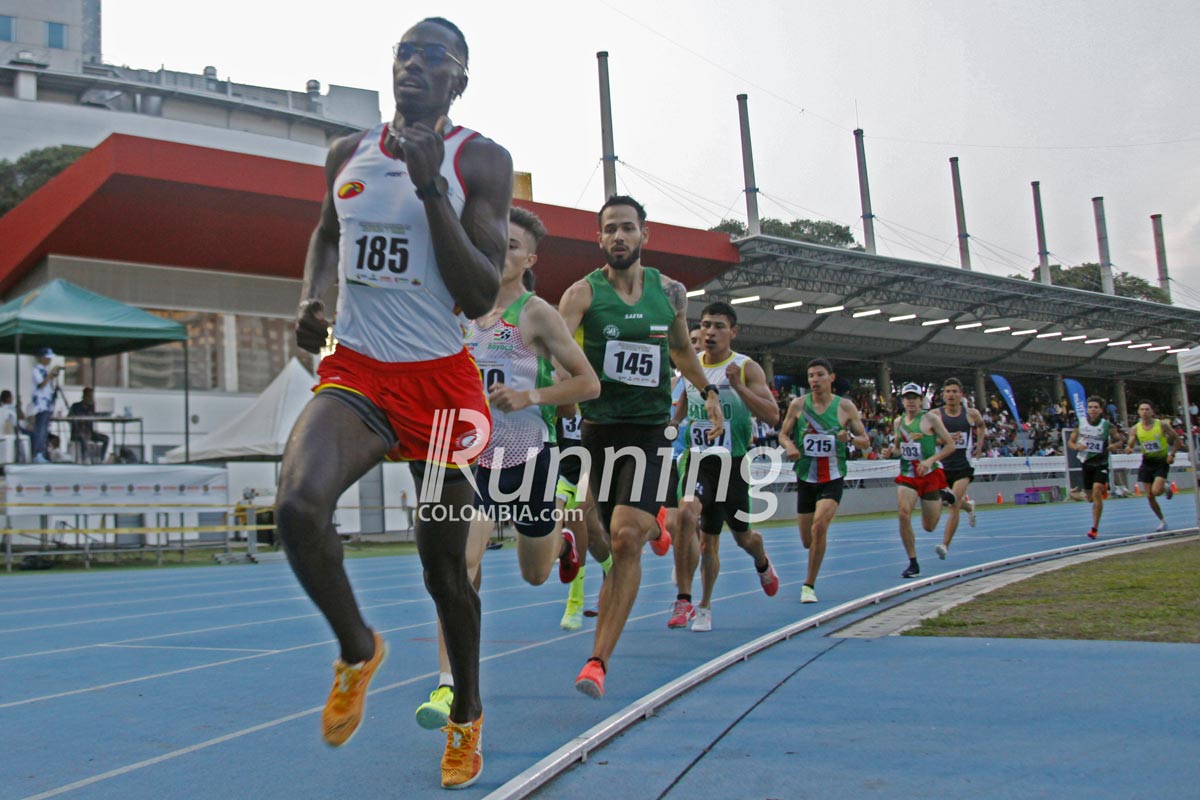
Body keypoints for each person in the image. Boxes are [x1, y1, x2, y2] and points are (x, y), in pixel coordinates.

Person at [274, 17, 511, 791]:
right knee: (298, 506)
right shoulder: (347, 153)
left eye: (431, 56)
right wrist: (313, 301)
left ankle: (467, 712)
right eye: (404, 53)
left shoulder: (480, 159)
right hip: (361, 376)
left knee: (444, 568)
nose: (412, 64)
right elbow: (324, 236)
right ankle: (356, 649)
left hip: (442, 389)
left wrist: (430, 184)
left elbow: (478, 294)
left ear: (458, 81)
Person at [414, 205, 601, 729]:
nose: (500, 252)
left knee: (535, 575)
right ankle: (450, 687)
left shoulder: (536, 314)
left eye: (512, 245)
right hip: (461, 459)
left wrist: (531, 394)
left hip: (526, 457)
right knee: (452, 567)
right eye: (493, 242)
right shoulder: (450, 308)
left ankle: (561, 539)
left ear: (528, 259)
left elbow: (588, 384)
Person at [557, 194, 724, 699]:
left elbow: (679, 350)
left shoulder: (670, 293)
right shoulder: (581, 295)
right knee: (607, 538)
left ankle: (597, 661)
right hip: (600, 431)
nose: (619, 237)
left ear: (644, 235)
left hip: (651, 431)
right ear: (600, 237)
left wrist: (708, 390)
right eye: (610, 229)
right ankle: (655, 526)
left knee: (626, 537)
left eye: (627, 228)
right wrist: (557, 390)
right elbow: (559, 350)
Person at [670, 302, 781, 629]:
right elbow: (681, 404)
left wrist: (740, 386)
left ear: (733, 332)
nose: (710, 332)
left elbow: (772, 416)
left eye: (719, 326)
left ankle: (760, 559)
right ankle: (691, 601)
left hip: (732, 466)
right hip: (699, 460)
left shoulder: (746, 368)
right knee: (690, 518)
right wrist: (671, 426)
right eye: (705, 325)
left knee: (743, 538)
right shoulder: (690, 367)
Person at [778, 357, 869, 603]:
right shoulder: (798, 405)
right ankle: (814, 556)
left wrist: (848, 438)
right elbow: (783, 434)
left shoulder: (845, 407)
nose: (815, 380)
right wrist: (790, 446)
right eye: (811, 376)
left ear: (831, 378)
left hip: (833, 477)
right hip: (806, 477)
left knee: (819, 526)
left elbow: (865, 442)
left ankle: (808, 585)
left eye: (819, 375)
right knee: (808, 540)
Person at [886, 383, 957, 578]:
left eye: (914, 397)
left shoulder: (930, 419)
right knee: (903, 514)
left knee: (929, 526)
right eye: (906, 397)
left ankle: (942, 496)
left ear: (920, 400)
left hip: (929, 476)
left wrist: (930, 460)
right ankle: (913, 563)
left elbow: (950, 446)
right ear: (902, 401)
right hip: (908, 475)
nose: (910, 401)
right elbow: (899, 448)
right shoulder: (898, 422)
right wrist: (891, 452)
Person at [930, 378, 985, 559]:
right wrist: (945, 439)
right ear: (943, 395)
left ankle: (945, 545)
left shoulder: (971, 414)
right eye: (948, 392)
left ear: (961, 395)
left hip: (963, 466)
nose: (951, 395)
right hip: (943, 467)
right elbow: (929, 437)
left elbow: (981, 426)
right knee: (947, 501)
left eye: (955, 391)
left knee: (953, 504)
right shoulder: (935, 415)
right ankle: (968, 506)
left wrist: (980, 444)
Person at [1069, 395, 1125, 539]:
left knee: (1096, 491)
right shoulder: (1081, 424)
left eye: (1096, 407)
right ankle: (1098, 492)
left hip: (1101, 463)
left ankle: (1094, 528)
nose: (1092, 410)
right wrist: (1077, 447)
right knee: (1090, 498)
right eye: (1090, 407)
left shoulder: (1107, 426)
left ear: (1101, 410)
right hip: (1086, 463)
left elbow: (1120, 440)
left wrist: (1113, 446)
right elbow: (1071, 442)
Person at [1124, 399, 1179, 533]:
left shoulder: (1162, 425)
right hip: (1147, 462)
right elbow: (1131, 442)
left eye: (1147, 409)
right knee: (1149, 495)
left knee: (1156, 491)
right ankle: (1162, 521)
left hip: (1161, 461)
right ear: (1138, 412)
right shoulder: (1135, 428)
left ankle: (1165, 486)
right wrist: (1129, 448)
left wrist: (1172, 454)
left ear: (1152, 412)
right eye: (1142, 410)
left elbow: (1177, 439)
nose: (1144, 412)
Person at [30, 347, 62, 463]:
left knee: (45, 431)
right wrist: (50, 374)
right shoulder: (36, 370)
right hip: (40, 405)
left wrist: (52, 376)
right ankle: (37, 454)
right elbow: (41, 385)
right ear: (42, 358)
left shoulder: (44, 370)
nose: (49, 361)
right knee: (40, 430)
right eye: (48, 358)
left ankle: (42, 453)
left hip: (47, 405)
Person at [68, 386, 110, 463]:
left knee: (106, 439)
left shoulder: (92, 407)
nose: (90, 398)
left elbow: (99, 415)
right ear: (84, 396)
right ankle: (84, 459)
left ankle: (101, 458)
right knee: (83, 438)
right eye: (88, 396)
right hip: (77, 433)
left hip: (89, 432)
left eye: (91, 396)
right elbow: (69, 418)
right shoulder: (76, 406)